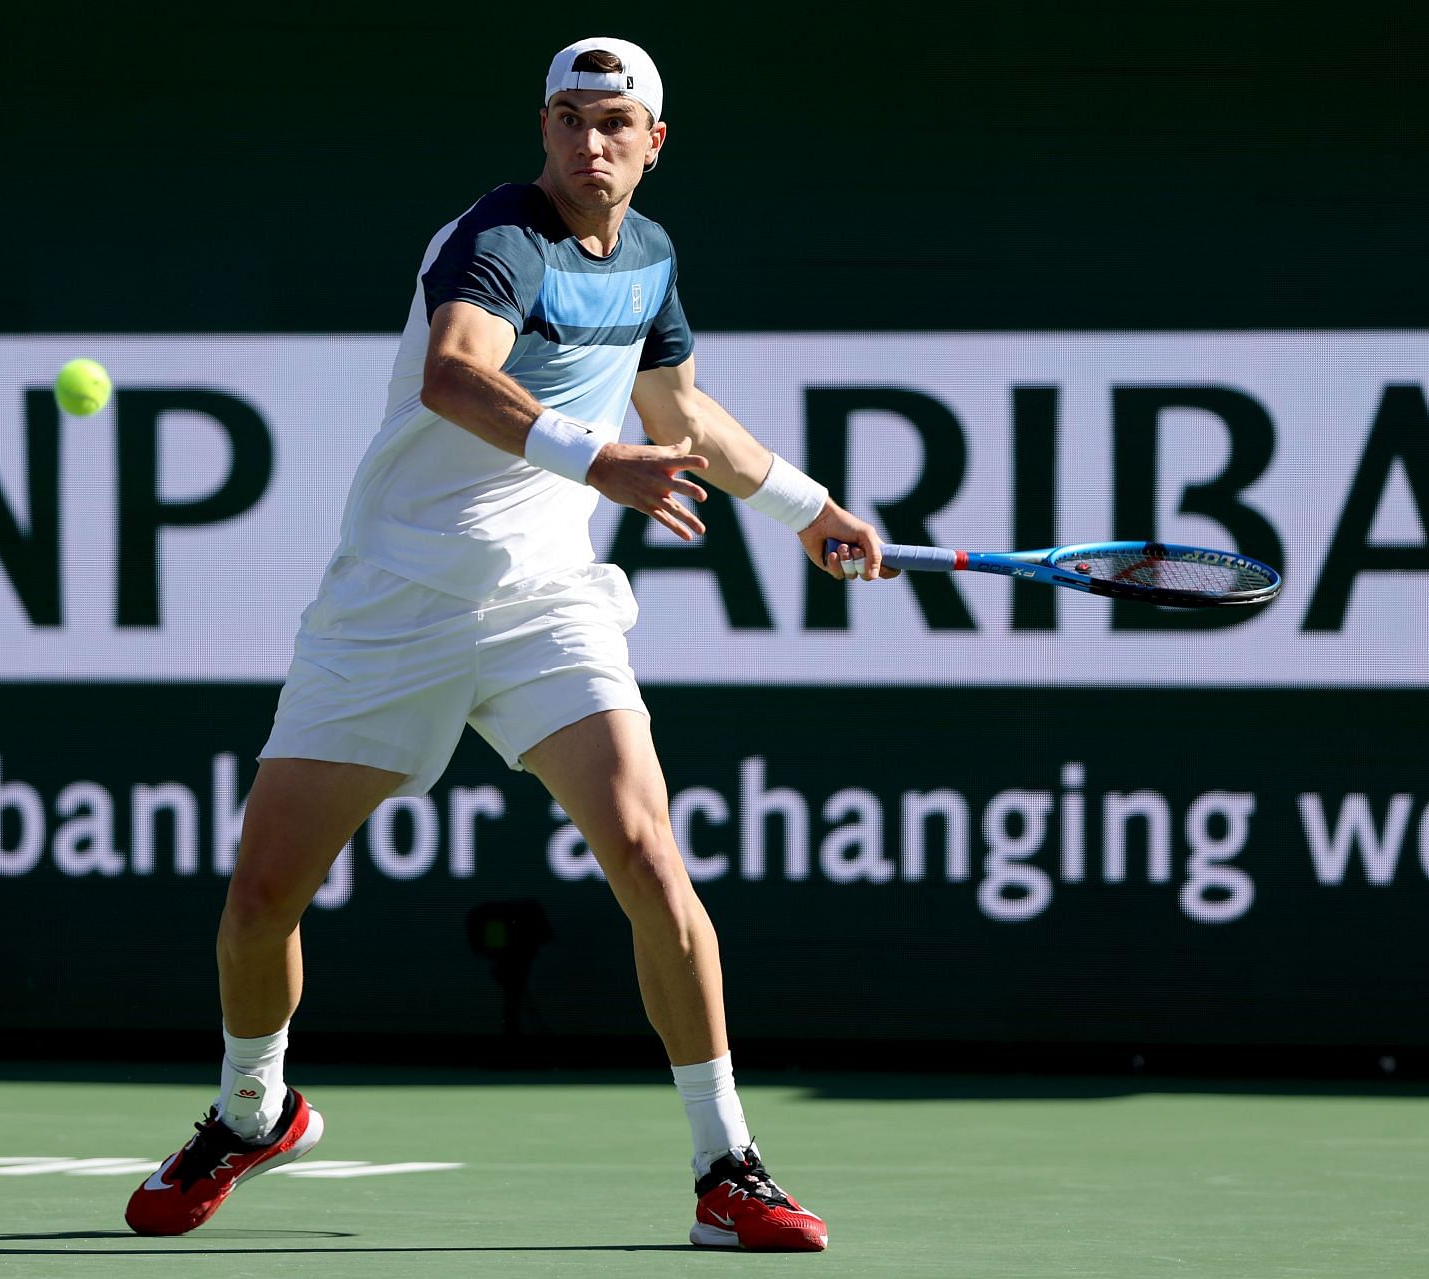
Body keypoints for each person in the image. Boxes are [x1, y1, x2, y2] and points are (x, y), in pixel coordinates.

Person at [124, 35, 893, 1252]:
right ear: (544, 126)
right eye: (569, 118)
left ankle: (725, 1166)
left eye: (613, 122)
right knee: (261, 898)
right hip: (391, 608)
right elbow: (453, 377)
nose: (589, 142)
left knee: (649, 859)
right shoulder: (495, 239)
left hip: (549, 605)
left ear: (654, 140)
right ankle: (253, 1107)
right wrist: (599, 460)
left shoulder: (648, 256)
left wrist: (809, 511)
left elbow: (681, 413)